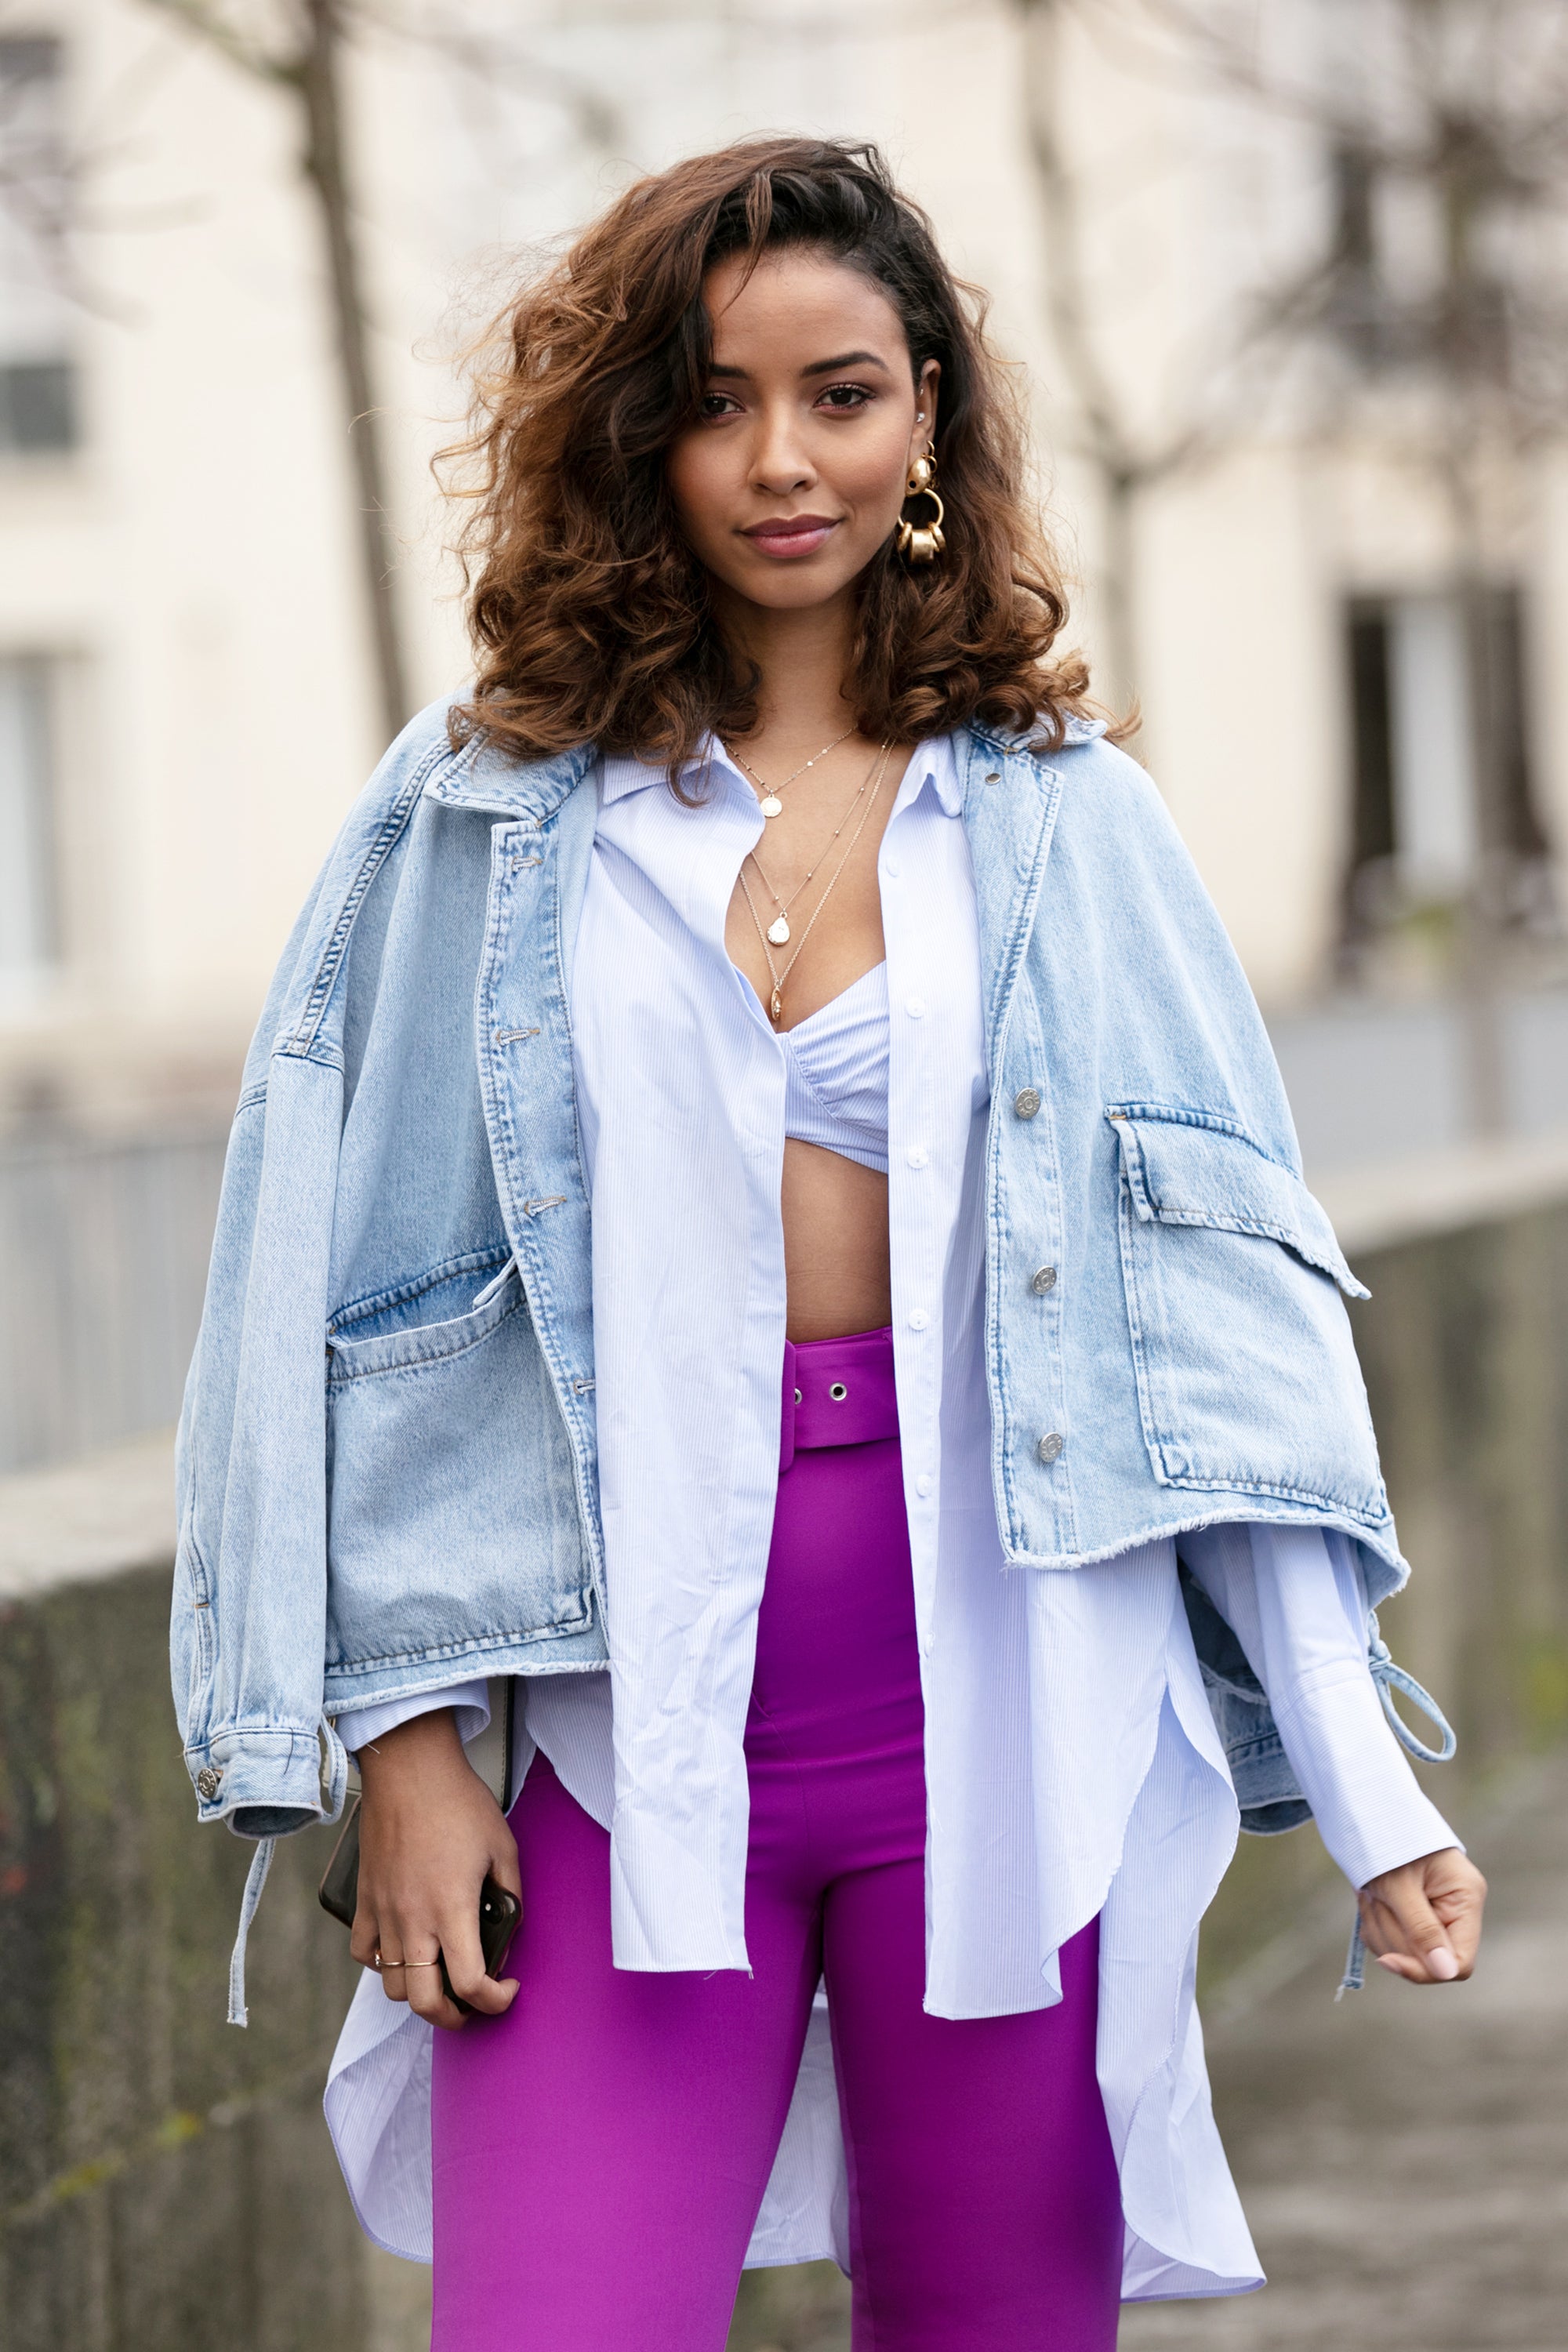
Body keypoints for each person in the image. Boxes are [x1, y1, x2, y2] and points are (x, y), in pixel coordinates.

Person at [172, 137, 1486, 2351]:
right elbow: (343, 1283)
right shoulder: (480, 811)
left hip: (1006, 1709)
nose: (782, 461)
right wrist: (399, 1735)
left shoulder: (1072, 824)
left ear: (932, 421)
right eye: (712, 400)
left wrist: (1363, 1783)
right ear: (630, 438)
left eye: (844, 394)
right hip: (623, 1725)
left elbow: (1215, 1326)